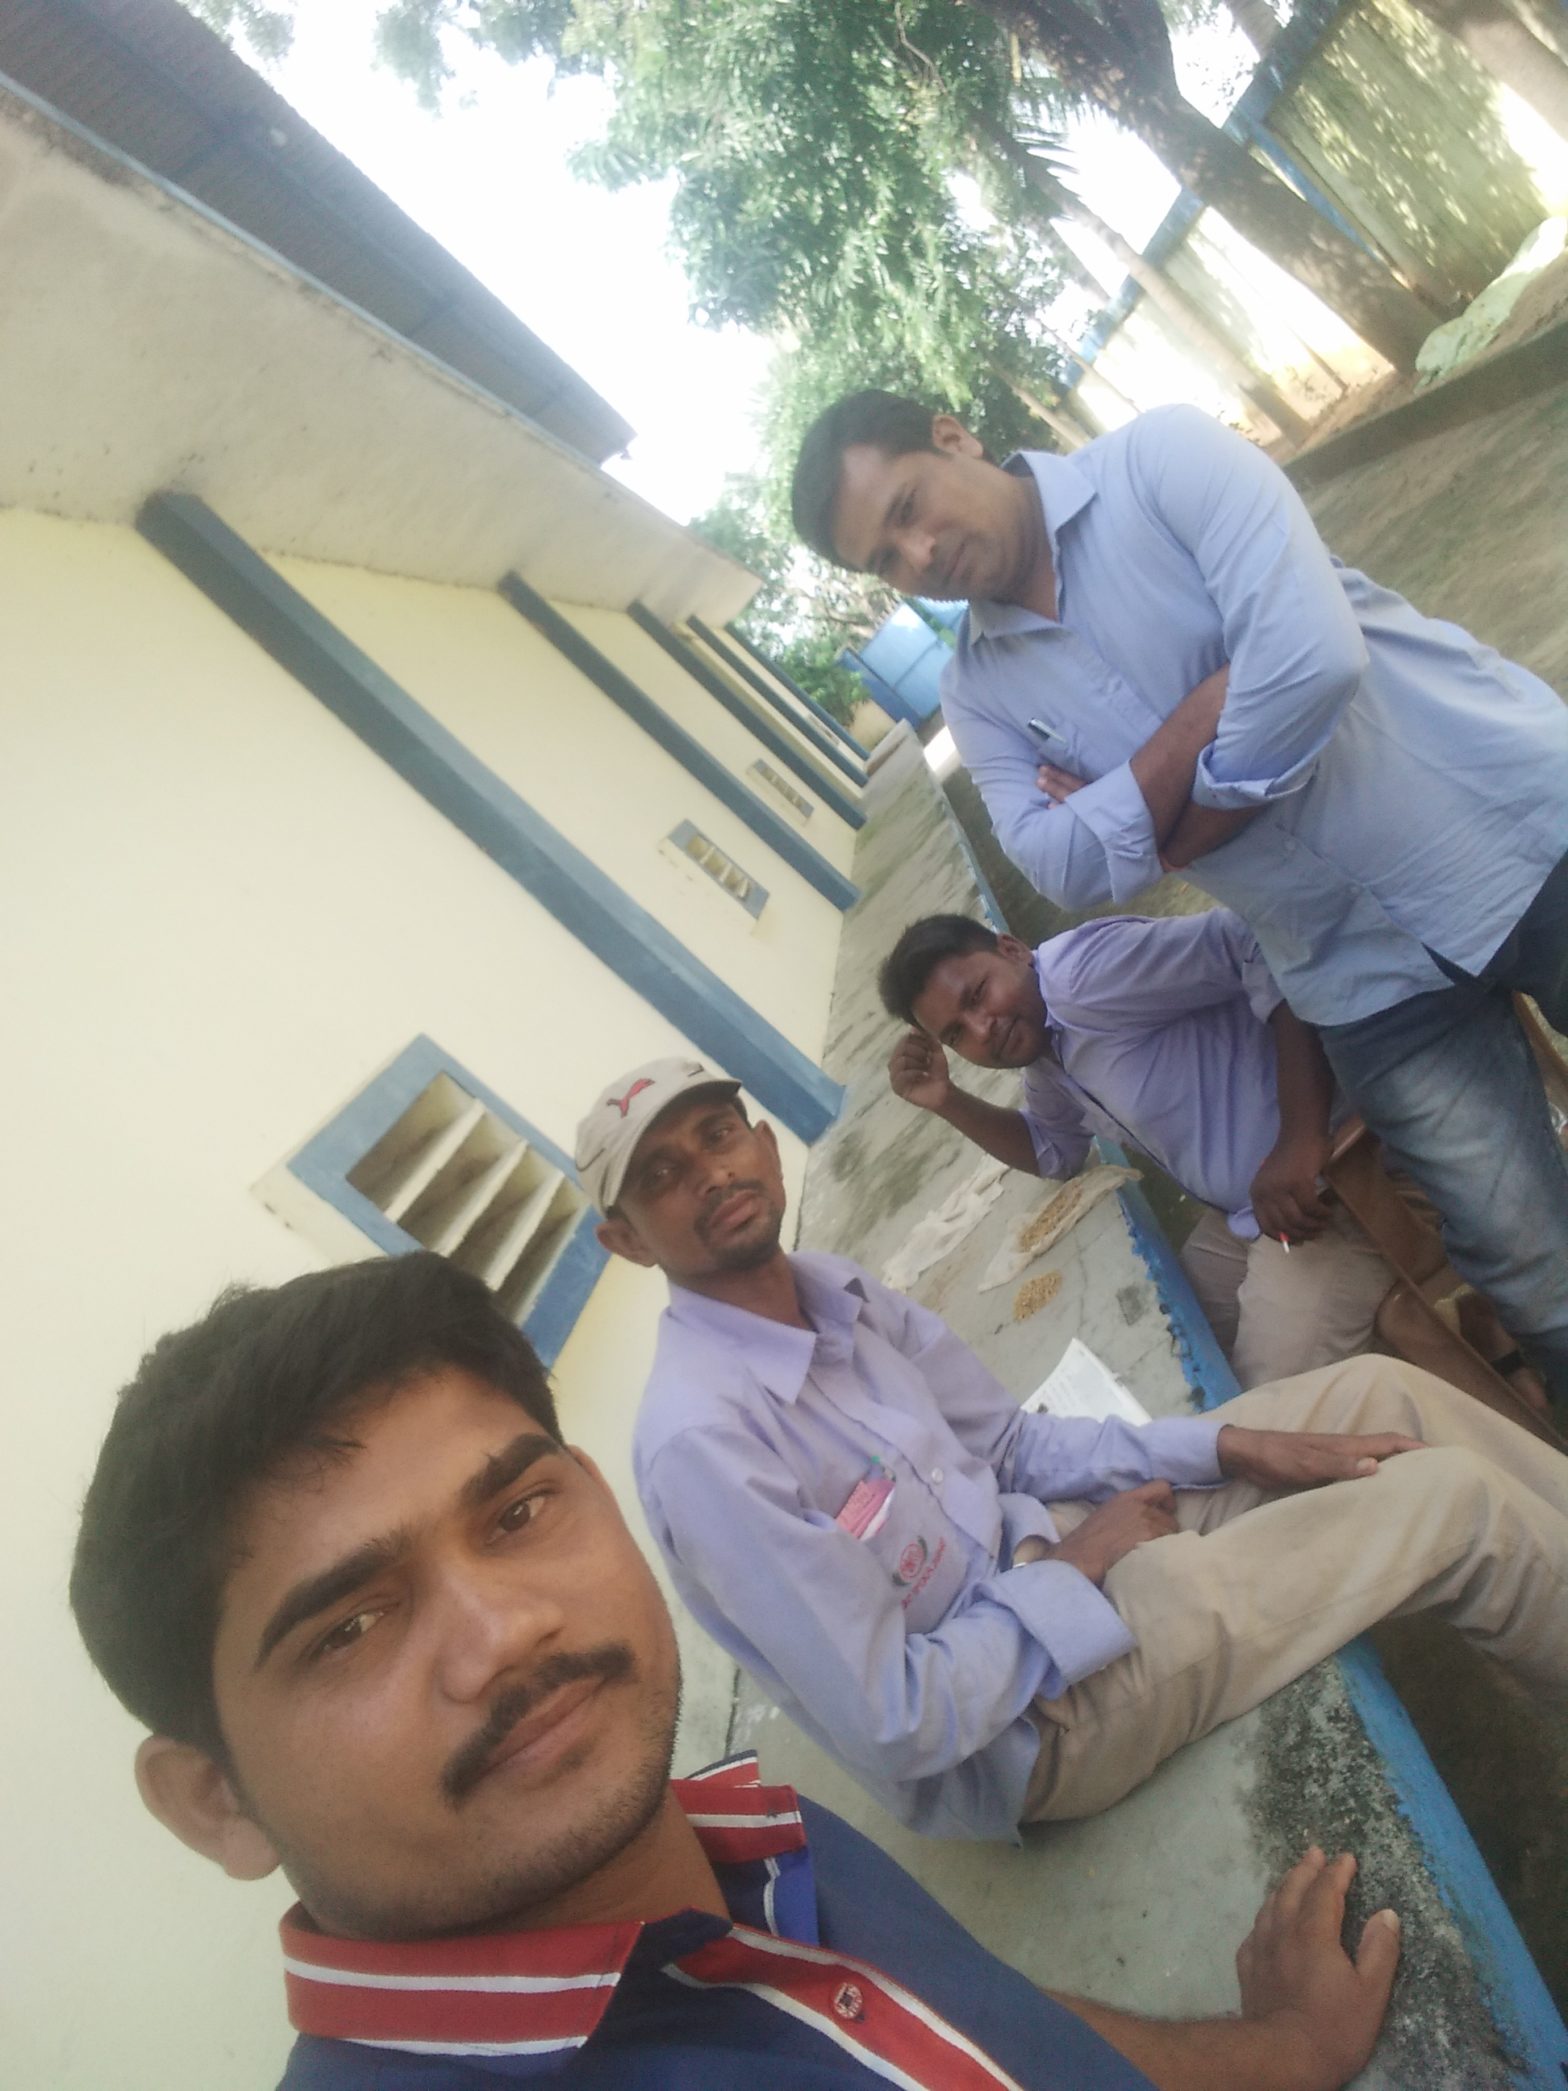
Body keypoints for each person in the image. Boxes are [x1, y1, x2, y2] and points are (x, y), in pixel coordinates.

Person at [70, 1253, 1407, 2091]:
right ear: (213, 1799)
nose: (503, 1634)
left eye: (518, 1512)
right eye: (348, 1629)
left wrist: (1276, 2053)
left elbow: (978, 2029)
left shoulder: (747, 1839)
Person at [789, 391, 1568, 1410]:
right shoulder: (977, 694)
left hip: (1503, 826)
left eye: (906, 509)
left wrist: (1158, 823)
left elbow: (1311, 659)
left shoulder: (1159, 461)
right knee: (1531, 1270)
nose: (919, 554)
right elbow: (1062, 868)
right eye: (885, 559)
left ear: (952, 436)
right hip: (1351, 974)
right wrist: (1206, 708)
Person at [581, 1055, 1568, 1842]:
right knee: (1449, 1506)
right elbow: (899, 1719)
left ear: (763, 1143)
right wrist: (1078, 1564)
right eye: (661, 1176)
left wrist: (1229, 1444)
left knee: (1378, 1394)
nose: (709, 1173)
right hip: (1030, 1728)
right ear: (624, 1239)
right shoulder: (703, 1445)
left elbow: (1010, 1443)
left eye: (717, 1135)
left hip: (1049, 1547)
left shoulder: (834, 1289)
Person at [880, 907, 1543, 1401]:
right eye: (957, 1034)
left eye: (977, 995)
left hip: (1339, 1186)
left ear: (1011, 949)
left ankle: (1469, 1417)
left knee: (1273, 1400)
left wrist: (1300, 1136)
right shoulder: (1046, 1058)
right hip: (1255, 1215)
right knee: (1170, 1329)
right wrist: (948, 1101)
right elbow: (1052, 1150)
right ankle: (1448, 1343)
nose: (983, 1029)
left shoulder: (1085, 978)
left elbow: (1257, 943)